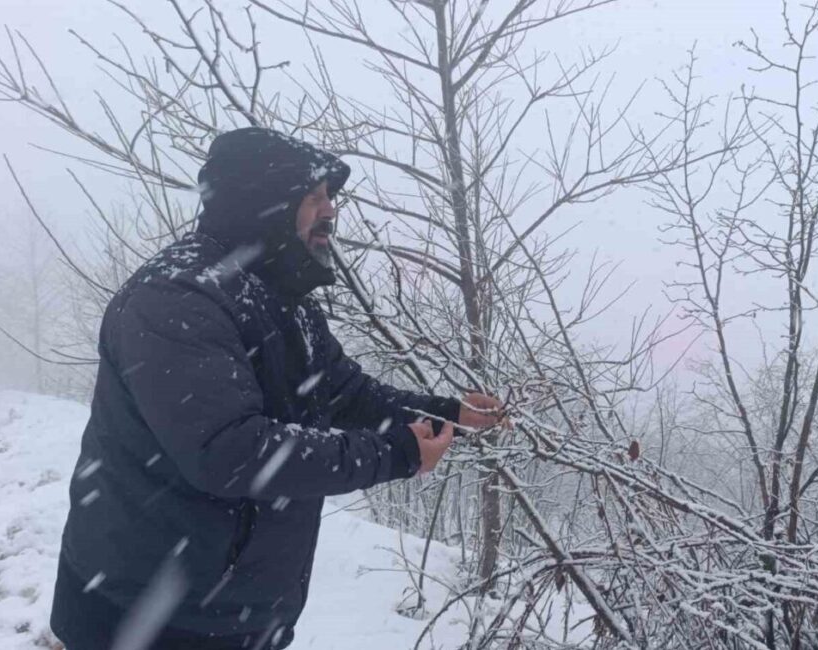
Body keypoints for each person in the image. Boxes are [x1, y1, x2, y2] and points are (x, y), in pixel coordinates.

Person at [50, 127, 504, 649]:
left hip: (235, 610)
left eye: (330, 198)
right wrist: (395, 454)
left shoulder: (282, 300)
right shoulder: (176, 299)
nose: (330, 211)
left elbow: (345, 394)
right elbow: (230, 452)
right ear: (262, 202)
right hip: (145, 618)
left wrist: (449, 411)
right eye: (313, 198)